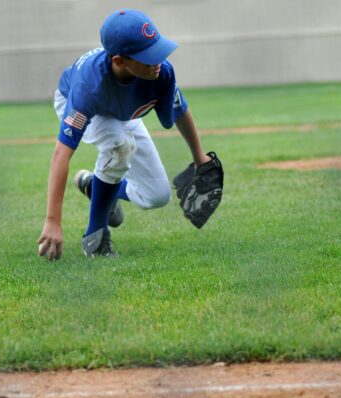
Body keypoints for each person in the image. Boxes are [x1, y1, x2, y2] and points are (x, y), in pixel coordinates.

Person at [38, 9, 212, 261]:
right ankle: (95, 239)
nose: (157, 62)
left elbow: (180, 109)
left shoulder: (160, 72)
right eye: (147, 57)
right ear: (119, 61)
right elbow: (61, 153)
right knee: (120, 145)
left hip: (121, 111)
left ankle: (93, 184)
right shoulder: (89, 87)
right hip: (79, 103)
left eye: (157, 50)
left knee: (157, 195)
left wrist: (199, 158)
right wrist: (53, 220)